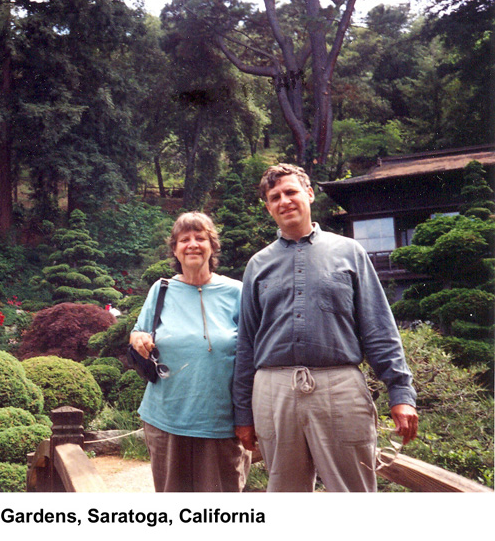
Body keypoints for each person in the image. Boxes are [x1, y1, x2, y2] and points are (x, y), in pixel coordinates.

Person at [232, 163, 419, 492]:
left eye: (291, 192)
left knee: (353, 492)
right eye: (275, 197)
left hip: (340, 386)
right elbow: (246, 343)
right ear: (268, 207)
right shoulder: (257, 264)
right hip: (273, 391)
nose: (284, 200)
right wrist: (242, 412)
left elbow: (378, 328)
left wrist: (400, 393)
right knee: (286, 495)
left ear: (309, 193)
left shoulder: (350, 252)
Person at [130, 211, 252, 492]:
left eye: (201, 238)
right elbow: (139, 330)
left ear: (213, 246)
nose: (193, 244)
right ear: (175, 249)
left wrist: (248, 416)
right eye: (184, 239)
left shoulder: (237, 292)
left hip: (221, 423)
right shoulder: (161, 290)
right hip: (167, 418)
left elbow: (252, 353)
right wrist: (137, 338)